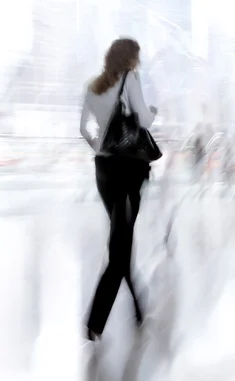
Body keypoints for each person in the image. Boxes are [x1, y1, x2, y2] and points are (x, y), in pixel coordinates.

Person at [80, 38, 158, 341]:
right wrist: (151, 110)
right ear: (129, 58)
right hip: (129, 171)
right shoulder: (130, 79)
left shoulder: (92, 85)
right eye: (137, 56)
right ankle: (94, 323)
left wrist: (100, 148)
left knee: (121, 241)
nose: (138, 61)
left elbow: (84, 129)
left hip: (103, 171)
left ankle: (139, 307)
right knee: (119, 250)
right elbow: (144, 119)